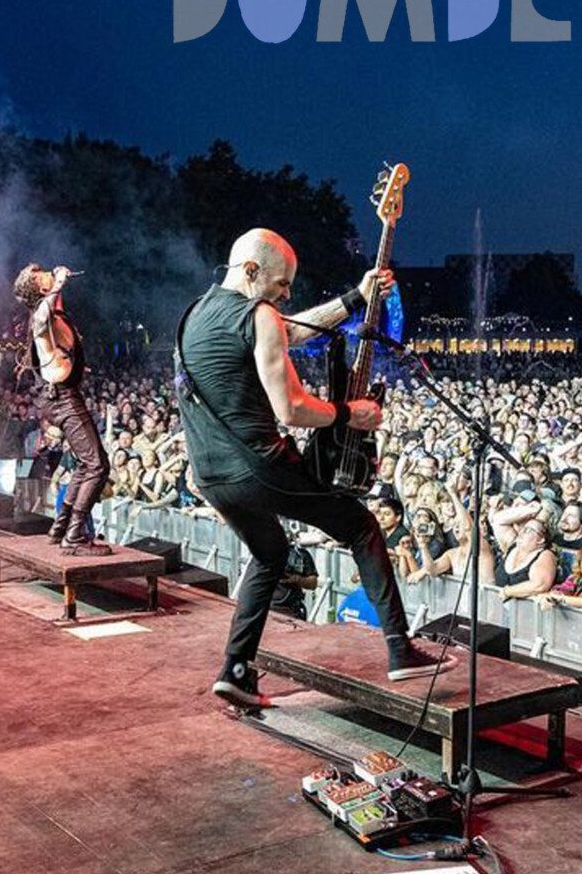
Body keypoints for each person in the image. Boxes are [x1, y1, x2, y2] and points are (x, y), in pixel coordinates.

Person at [174, 228, 456, 712]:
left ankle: (235, 670)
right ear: (250, 272)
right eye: (281, 284)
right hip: (259, 467)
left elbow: (287, 330)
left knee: (270, 554)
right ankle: (399, 648)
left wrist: (356, 297)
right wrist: (351, 413)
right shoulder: (257, 313)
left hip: (211, 475)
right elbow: (290, 408)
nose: (287, 294)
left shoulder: (194, 314)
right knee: (363, 526)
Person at [14, 264, 112, 555]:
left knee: (88, 462)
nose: (48, 272)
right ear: (41, 288)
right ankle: (75, 537)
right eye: (42, 274)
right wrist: (58, 283)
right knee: (97, 465)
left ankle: (61, 526)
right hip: (62, 398)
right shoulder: (40, 315)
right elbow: (42, 316)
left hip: (62, 395)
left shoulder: (52, 309)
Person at [272, 537, 318, 619]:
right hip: (267, 608)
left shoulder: (300, 555)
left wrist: (297, 579)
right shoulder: (264, 554)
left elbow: (313, 583)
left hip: (290, 610)